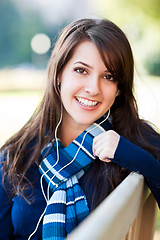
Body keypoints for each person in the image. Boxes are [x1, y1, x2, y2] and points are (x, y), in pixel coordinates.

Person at [0, 18, 160, 240]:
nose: (93, 88)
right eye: (81, 70)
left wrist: (130, 155)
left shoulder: (134, 140)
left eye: (108, 76)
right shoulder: (16, 155)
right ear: (59, 74)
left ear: (119, 89)